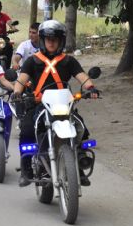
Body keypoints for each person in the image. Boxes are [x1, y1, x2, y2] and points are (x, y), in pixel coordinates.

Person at [11, 20, 99, 186]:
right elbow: (21, 81)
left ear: (61, 41)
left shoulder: (68, 61)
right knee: (27, 128)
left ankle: (78, 163)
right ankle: (26, 169)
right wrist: (17, 93)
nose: (51, 42)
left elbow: (82, 77)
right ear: (42, 40)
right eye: (48, 39)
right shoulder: (32, 60)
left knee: (81, 126)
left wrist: (91, 88)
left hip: (63, 105)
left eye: (55, 39)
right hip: (39, 104)